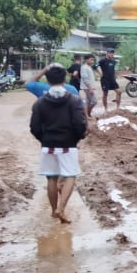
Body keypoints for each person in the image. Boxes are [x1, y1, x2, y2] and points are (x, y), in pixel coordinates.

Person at [29, 64, 87, 224]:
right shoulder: (73, 99)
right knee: (70, 176)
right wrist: (77, 137)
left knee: (51, 179)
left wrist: (44, 139)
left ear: (47, 80)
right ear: (65, 79)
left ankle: (54, 210)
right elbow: (79, 123)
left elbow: (34, 127)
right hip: (68, 144)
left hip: (48, 144)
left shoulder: (40, 103)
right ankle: (61, 208)